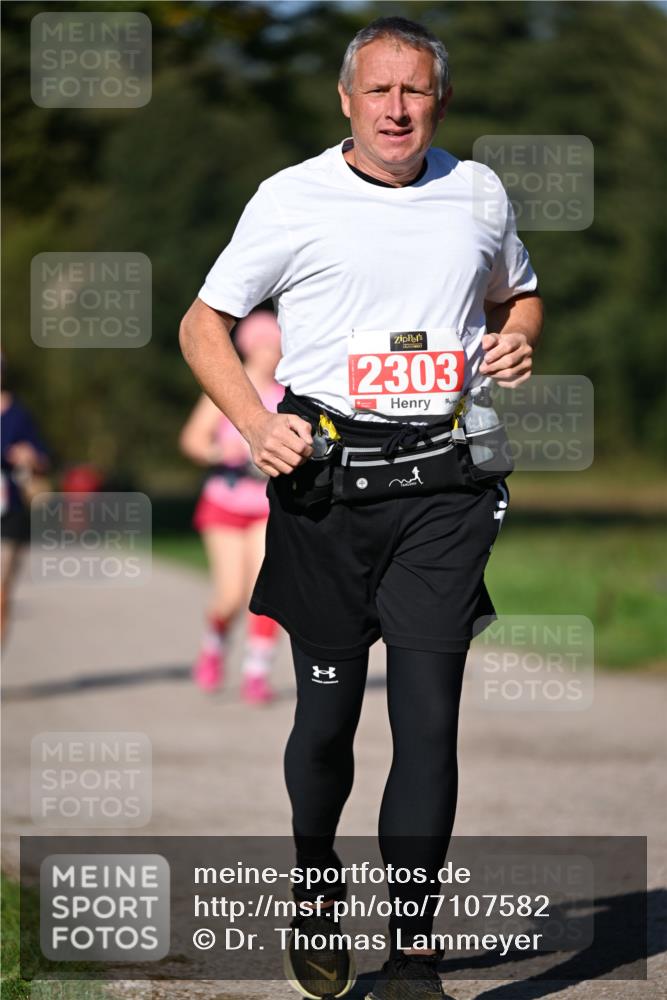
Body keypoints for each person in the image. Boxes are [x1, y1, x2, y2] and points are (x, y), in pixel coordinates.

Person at [180, 16, 543, 1000]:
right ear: (346, 99)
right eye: (377, 89)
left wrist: (516, 340)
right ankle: (313, 877)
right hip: (327, 488)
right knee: (329, 719)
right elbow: (201, 324)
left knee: (429, 722)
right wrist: (256, 422)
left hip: (444, 487)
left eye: (414, 90)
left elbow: (517, 296)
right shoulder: (290, 198)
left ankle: (415, 957)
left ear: (440, 100)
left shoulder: (476, 191)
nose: (395, 107)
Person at [180, 311, 283, 704]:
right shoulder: (223, 391)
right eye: (268, 347)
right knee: (229, 595)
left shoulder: (285, 393)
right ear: (251, 348)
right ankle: (213, 645)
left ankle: (256, 673)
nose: (273, 355)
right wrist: (220, 451)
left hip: (266, 506)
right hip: (223, 503)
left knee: (264, 591)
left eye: (278, 347)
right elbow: (191, 440)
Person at [1, 359, 51, 641]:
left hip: (9, 511)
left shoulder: (19, 415)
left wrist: (30, 457)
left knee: (1, 590)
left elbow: (43, 459)